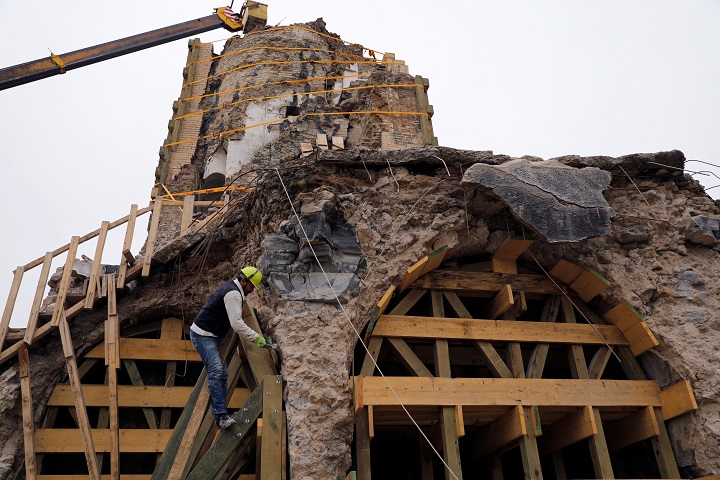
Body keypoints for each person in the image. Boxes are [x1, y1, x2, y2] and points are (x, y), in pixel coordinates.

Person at [190, 266, 266, 429]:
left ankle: (221, 414)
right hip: (203, 335)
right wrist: (256, 337)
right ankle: (220, 416)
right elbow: (236, 323)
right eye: (251, 286)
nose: (252, 290)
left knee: (223, 374)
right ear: (243, 281)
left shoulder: (234, 291)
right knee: (217, 371)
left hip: (213, 335)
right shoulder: (233, 294)